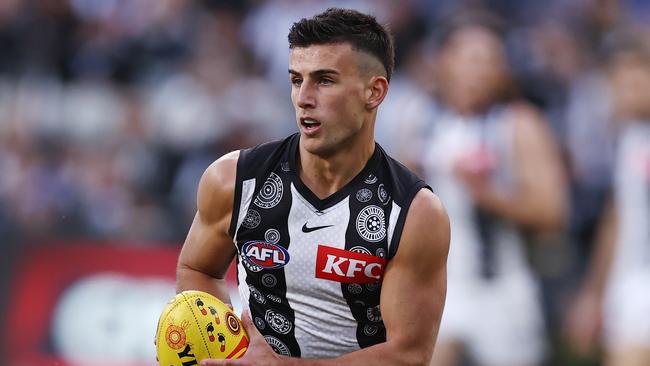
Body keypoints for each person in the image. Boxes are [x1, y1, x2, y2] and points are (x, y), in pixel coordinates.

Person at [175, 8, 450, 366]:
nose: (304, 97)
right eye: (295, 79)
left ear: (374, 92)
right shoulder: (234, 179)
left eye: (324, 80)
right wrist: (220, 343)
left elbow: (408, 355)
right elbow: (198, 269)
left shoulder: (413, 213)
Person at [412, 13, 567, 366]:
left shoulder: (519, 123)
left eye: (492, 61)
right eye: (472, 59)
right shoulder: (423, 119)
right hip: (442, 285)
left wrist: (486, 194)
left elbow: (552, 211)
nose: (482, 70)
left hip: (502, 289)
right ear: (445, 62)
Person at [564, 35, 650, 366]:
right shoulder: (629, 136)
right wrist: (594, 294)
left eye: (633, 77)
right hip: (631, 286)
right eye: (615, 79)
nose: (621, 88)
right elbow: (618, 218)